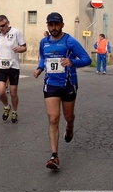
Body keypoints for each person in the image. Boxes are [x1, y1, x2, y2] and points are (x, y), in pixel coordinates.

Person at [33, 12, 91, 170]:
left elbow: (87, 59)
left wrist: (72, 62)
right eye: (50, 25)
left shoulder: (70, 41)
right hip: (50, 84)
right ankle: (54, 155)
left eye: (56, 24)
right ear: (47, 26)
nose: (53, 28)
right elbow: (43, 58)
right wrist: (39, 68)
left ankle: (70, 126)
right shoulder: (44, 42)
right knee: (53, 119)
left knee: (68, 116)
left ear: (62, 25)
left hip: (68, 84)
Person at [0, 15, 27, 123]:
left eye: (3, 25)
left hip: (13, 66)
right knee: (1, 91)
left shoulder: (16, 32)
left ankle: (14, 112)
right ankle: (7, 106)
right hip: (1, 66)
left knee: (13, 93)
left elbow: (24, 47)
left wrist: (20, 49)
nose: (1, 28)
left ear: (8, 23)